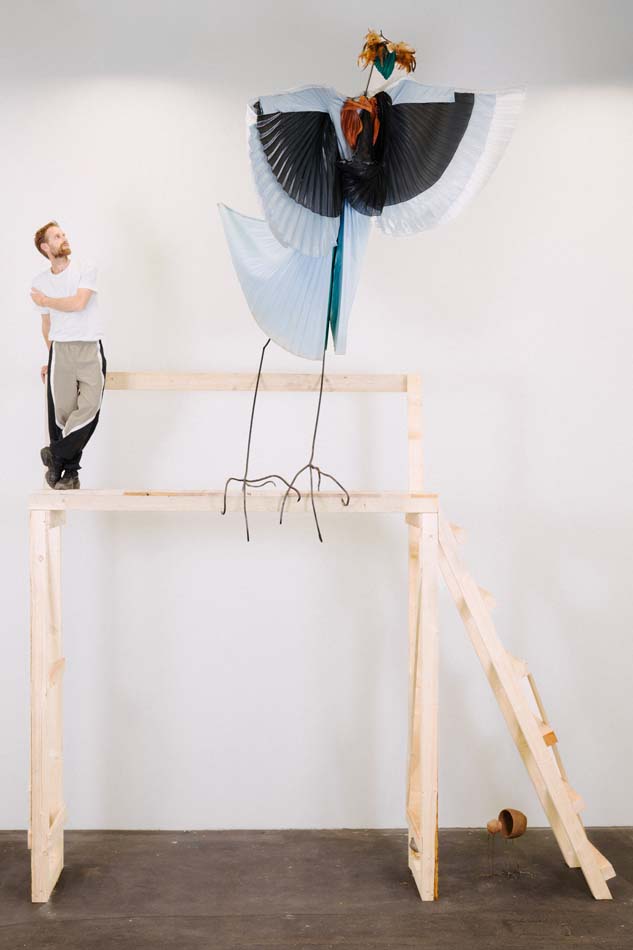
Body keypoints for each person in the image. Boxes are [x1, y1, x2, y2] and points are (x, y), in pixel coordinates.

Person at [30, 221, 106, 490]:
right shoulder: (39, 282)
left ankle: (55, 454)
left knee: (89, 409)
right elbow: (47, 324)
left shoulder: (85, 268)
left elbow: (78, 303)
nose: (64, 238)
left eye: (63, 234)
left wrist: (46, 301)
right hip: (60, 350)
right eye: (57, 236)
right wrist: (50, 358)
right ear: (45, 247)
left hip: (88, 346)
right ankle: (70, 475)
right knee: (62, 415)